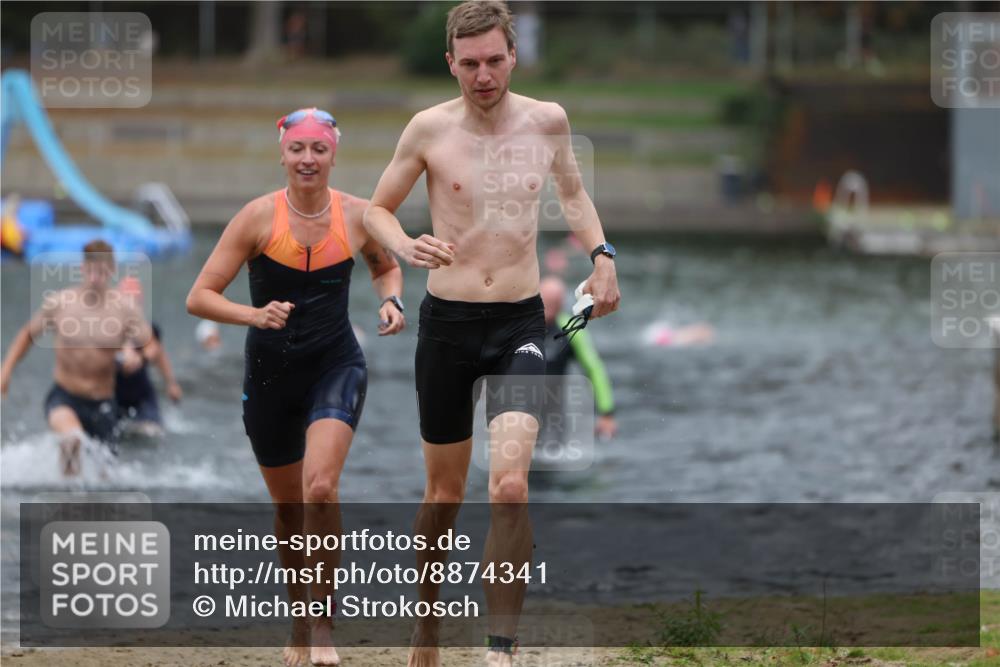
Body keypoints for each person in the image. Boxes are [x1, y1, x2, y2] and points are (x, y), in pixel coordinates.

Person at [362, 3, 620, 666]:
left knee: (509, 485)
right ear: (451, 62)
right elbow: (375, 212)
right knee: (444, 495)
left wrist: (603, 256)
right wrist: (403, 241)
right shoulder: (428, 129)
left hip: (517, 323)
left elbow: (574, 196)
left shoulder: (548, 121)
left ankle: (500, 646)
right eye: (469, 63)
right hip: (445, 325)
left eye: (494, 60)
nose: (483, 75)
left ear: (513, 56)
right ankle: (426, 623)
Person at [186, 107, 404, 667]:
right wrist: (252, 316)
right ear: (282, 153)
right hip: (269, 374)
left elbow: (384, 264)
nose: (308, 159)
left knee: (322, 487)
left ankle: (323, 626)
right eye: (298, 149)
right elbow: (200, 296)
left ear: (333, 154)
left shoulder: (358, 215)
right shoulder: (256, 218)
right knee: (287, 508)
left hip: (336, 362)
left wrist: (390, 298)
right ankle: (299, 620)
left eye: (319, 150)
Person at [0, 240, 152, 476]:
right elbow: (27, 334)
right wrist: (6, 369)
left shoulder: (125, 309)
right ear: (82, 268)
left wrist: (136, 357)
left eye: (101, 271)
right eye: (91, 270)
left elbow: (148, 343)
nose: (95, 277)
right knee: (72, 440)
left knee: (106, 479)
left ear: (111, 270)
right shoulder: (60, 303)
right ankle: (67, 502)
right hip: (65, 397)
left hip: (103, 403)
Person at [539, 275, 617, 440]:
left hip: (554, 411)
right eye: (546, 301)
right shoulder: (521, 326)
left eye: (554, 303)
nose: (549, 308)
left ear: (561, 304)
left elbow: (594, 369)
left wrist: (606, 412)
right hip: (519, 405)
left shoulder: (571, 330)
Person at [114, 276, 182, 438]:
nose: (132, 305)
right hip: (112, 393)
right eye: (127, 300)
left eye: (135, 301)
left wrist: (171, 383)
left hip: (141, 393)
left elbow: (158, 353)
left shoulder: (148, 329)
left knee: (152, 432)